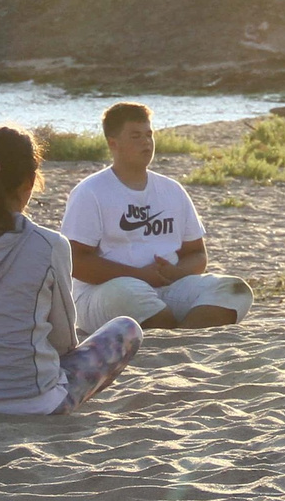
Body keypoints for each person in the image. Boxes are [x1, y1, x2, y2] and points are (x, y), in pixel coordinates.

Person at [0, 125, 145, 415]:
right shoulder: (49, 245)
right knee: (127, 329)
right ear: (30, 182)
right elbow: (64, 342)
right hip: (33, 401)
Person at [61, 102, 253, 331]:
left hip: (167, 288)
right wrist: (140, 275)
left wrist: (177, 272)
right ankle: (171, 326)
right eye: (136, 136)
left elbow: (197, 253)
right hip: (107, 292)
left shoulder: (172, 189)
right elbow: (75, 261)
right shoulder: (90, 191)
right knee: (127, 293)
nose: (146, 142)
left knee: (234, 289)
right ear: (113, 143)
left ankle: (180, 335)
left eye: (149, 134)